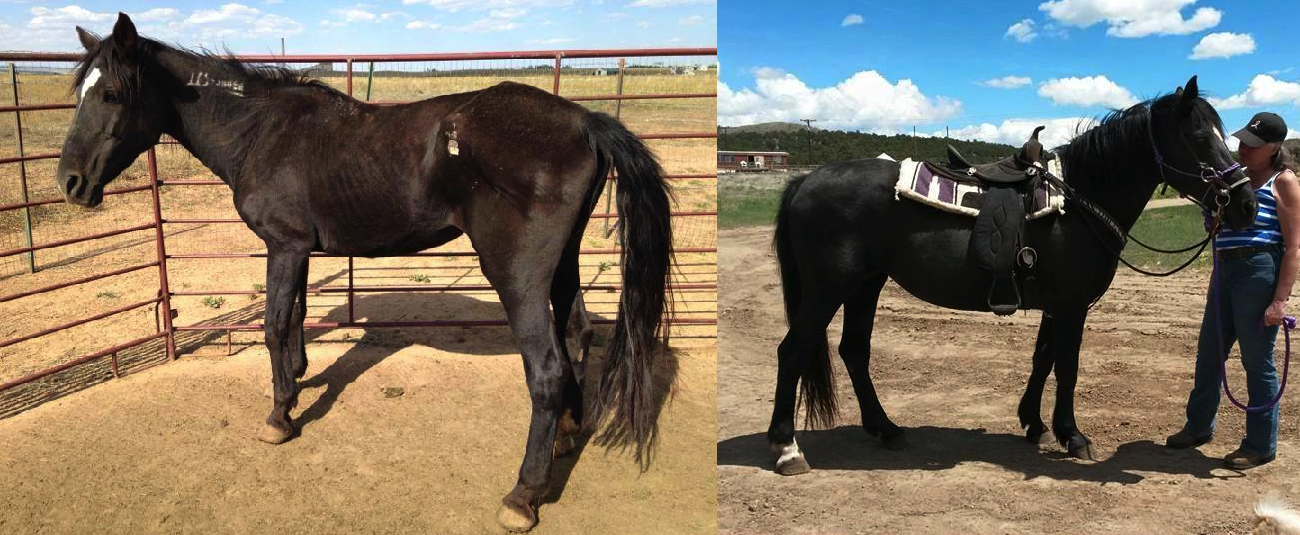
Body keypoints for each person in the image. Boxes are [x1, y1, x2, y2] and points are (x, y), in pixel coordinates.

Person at [1166, 111, 1300, 468]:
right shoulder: (1233, 179)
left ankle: (1260, 444)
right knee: (1209, 353)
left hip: (1258, 268)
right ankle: (1198, 427)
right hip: (1224, 268)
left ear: (1273, 148)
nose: (1243, 149)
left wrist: (1280, 300)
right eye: (1242, 141)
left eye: (1253, 145)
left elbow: (1293, 247)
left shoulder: (1283, 181)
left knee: (1256, 361)